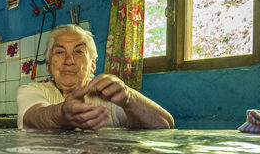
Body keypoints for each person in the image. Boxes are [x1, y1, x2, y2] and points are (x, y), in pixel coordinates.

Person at [17, 24, 173, 130]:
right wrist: (61, 114)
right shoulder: (31, 90)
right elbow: (34, 116)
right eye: (59, 52)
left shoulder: (106, 95)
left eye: (79, 52)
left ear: (92, 65)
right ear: (48, 65)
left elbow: (164, 124)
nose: (69, 61)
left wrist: (128, 97)